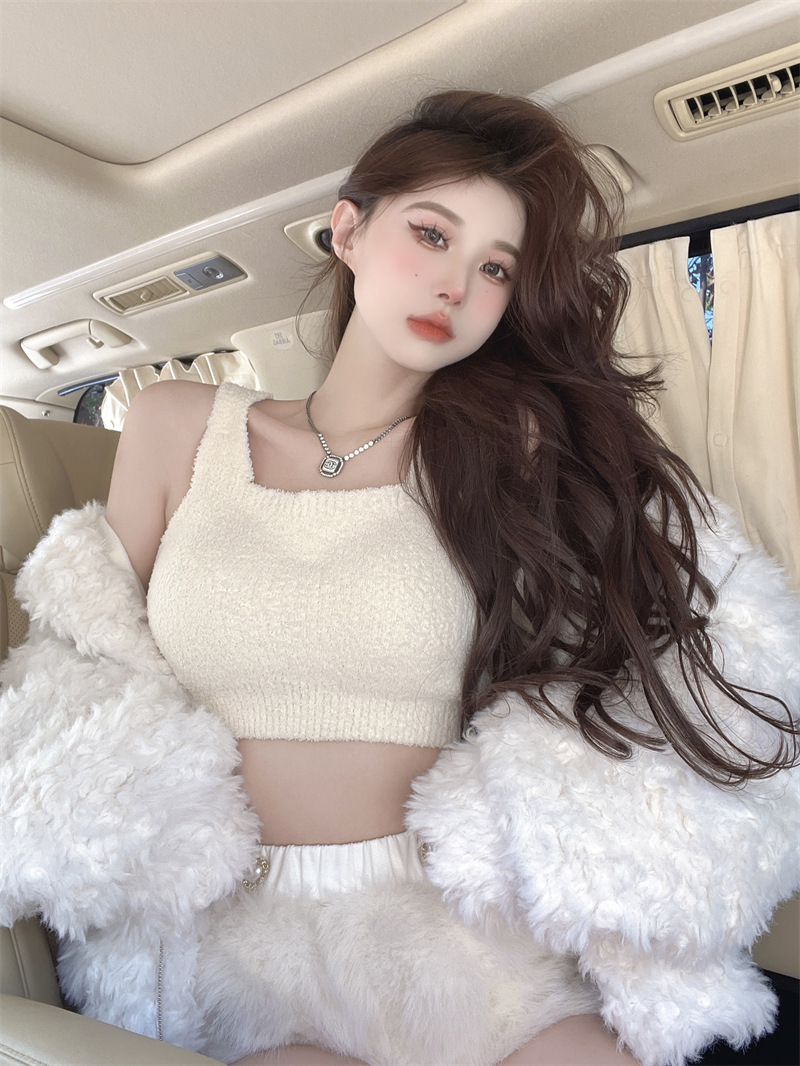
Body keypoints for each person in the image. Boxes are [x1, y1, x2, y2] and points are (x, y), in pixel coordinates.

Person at [2, 91, 798, 1066]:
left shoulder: (508, 449)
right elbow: (89, 658)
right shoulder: (175, 424)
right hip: (245, 947)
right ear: (347, 230)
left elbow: (680, 621)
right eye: (431, 234)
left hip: (465, 931)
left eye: (494, 267)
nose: (455, 285)